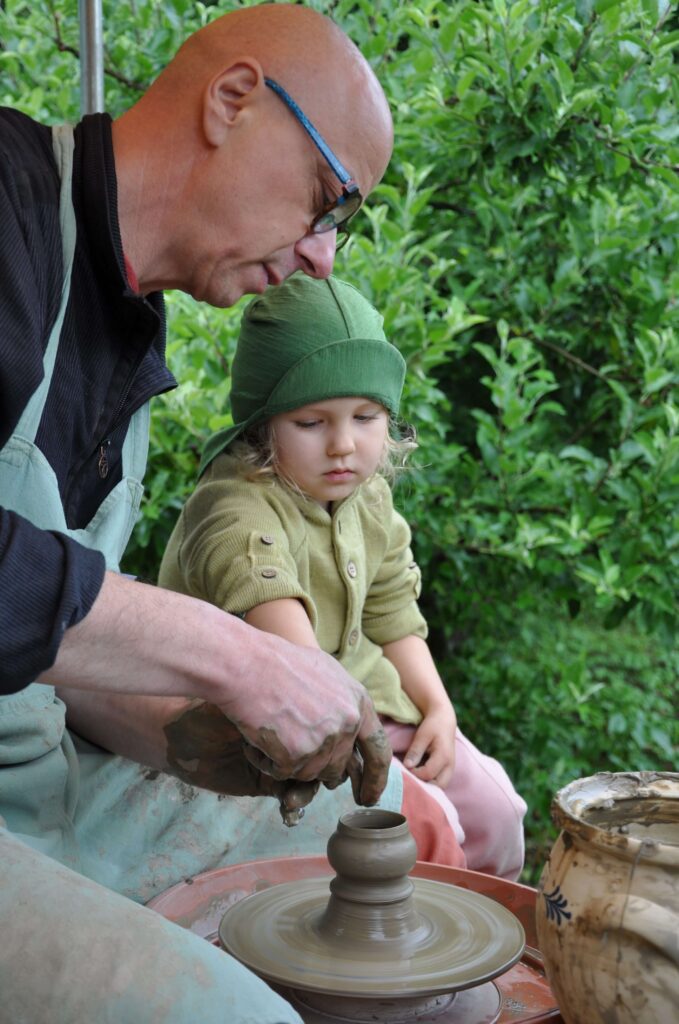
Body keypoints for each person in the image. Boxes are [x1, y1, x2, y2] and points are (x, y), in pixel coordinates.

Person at [0, 5, 463, 1023]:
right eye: (329, 201)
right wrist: (234, 656)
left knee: (409, 837)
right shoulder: (6, 206)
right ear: (234, 99)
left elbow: (47, 647)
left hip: (45, 794)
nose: (323, 257)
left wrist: (213, 736)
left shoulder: (126, 327)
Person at [159, 272, 528, 884]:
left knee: (497, 813)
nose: (344, 446)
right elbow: (300, 675)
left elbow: (393, 614)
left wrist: (438, 708)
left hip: (371, 704)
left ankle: (494, 944)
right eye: (311, 422)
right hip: (270, 729)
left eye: (366, 416)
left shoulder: (369, 499)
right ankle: (433, 965)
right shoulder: (234, 511)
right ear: (261, 424)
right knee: (429, 837)